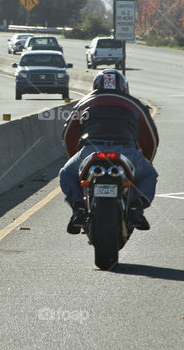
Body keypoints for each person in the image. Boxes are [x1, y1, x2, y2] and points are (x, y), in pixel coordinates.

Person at [59, 69, 159, 234]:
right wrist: (145, 162)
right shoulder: (135, 104)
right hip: (126, 150)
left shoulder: (84, 103)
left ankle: (78, 208)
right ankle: (136, 207)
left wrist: (76, 162)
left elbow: (69, 135)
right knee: (149, 175)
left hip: (91, 150)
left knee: (66, 174)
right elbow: (151, 139)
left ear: (96, 85)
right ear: (123, 87)